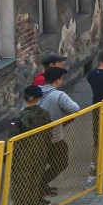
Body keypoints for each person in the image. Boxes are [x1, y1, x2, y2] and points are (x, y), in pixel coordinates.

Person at [5, 86, 52, 205]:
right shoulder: (45, 114)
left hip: (22, 157)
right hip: (40, 155)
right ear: (39, 98)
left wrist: (7, 159)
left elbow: (12, 141)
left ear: (24, 97)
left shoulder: (18, 118)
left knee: (20, 189)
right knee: (33, 185)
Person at [37, 66, 79, 196]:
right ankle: (40, 187)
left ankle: (40, 186)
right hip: (54, 136)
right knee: (60, 163)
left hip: (34, 137)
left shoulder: (36, 91)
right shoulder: (59, 95)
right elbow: (75, 108)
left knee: (40, 165)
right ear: (58, 80)